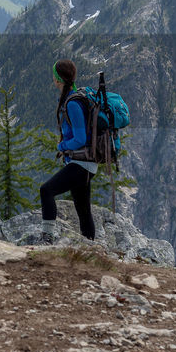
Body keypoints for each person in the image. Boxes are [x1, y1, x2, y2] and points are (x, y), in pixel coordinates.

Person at [40, 59, 98, 239]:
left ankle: (47, 237)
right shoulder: (73, 97)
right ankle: (90, 247)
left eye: (54, 75)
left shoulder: (72, 103)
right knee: (83, 209)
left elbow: (80, 138)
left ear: (59, 79)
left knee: (46, 190)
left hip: (81, 164)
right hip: (86, 164)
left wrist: (62, 145)